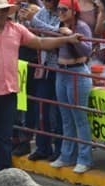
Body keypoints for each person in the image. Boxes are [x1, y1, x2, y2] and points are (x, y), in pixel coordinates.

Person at [0, 0, 81, 186]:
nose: (0, 15)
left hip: (9, 92)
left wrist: (65, 40)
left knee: (5, 139)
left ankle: (4, 181)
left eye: (3, 12)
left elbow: (41, 43)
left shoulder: (15, 30)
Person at [49, 0, 94, 173]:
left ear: (73, 11)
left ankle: (84, 158)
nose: (60, 12)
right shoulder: (58, 25)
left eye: (64, 9)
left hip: (77, 72)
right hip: (62, 72)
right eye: (59, 9)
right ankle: (67, 155)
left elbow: (87, 51)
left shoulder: (81, 26)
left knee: (79, 118)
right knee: (66, 117)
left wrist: (70, 37)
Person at [28, 0, 63, 161]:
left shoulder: (63, 11)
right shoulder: (41, 13)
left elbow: (57, 32)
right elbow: (35, 32)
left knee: (58, 111)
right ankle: (43, 147)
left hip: (60, 67)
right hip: (44, 66)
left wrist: (33, 21)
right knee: (41, 107)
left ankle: (60, 149)